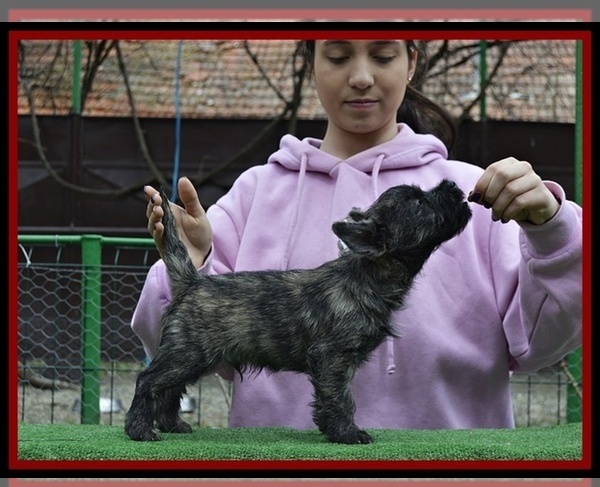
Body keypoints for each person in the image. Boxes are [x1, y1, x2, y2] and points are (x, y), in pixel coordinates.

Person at [131, 39, 582, 430]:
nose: (362, 77)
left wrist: (552, 232)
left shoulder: (476, 197)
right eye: (339, 56)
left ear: (412, 61)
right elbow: (170, 340)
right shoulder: (252, 195)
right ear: (311, 63)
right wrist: (190, 263)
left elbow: (543, 344)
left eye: (383, 56)